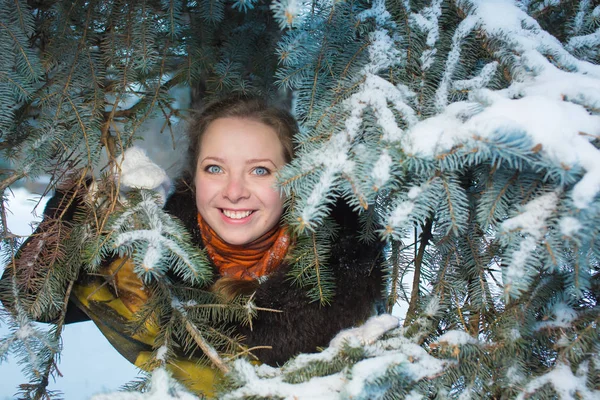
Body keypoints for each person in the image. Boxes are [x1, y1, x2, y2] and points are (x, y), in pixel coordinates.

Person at [1, 95, 385, 396]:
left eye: (260, 170)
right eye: (215, 168)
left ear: (294, 178)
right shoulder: (153, 256)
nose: (234, 192)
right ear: (194, 176)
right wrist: (75, 211)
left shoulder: (345, 269)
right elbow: (35, 299)